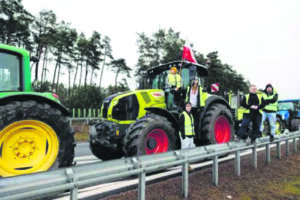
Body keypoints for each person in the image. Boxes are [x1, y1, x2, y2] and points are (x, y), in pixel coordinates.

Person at [179, 101, 195, 171]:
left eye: (190, 106)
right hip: (185, 136)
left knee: (189, 153)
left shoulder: (191, 115)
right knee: (184, 152)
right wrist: (183, 135)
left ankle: (188, 166)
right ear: (185, 107)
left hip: (190, 136)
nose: (189, 107)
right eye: (187, 106)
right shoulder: (183, 115)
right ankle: (183, 167)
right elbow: (181, 126)